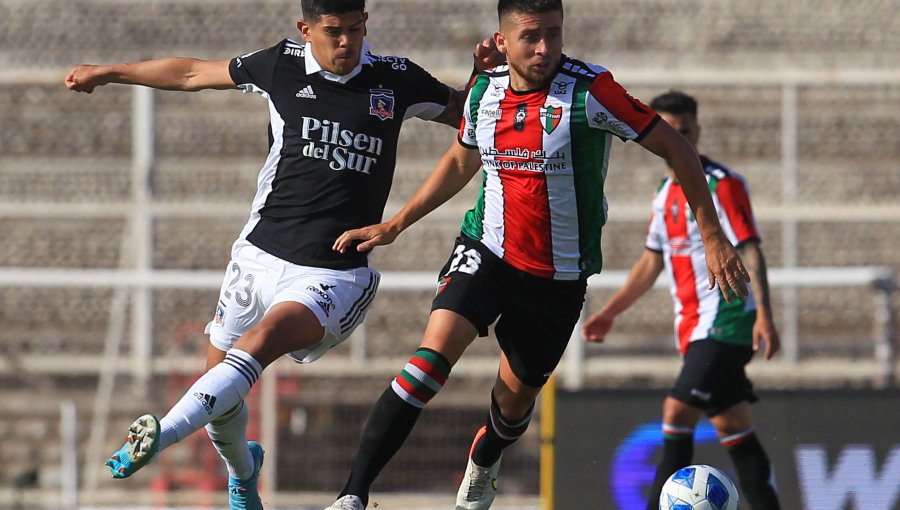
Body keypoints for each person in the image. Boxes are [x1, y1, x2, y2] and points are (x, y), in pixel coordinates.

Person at [64, 1, 502, 509]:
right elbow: (189, 74)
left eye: (356, 30)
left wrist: (481, 74)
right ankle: (243, 474)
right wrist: (109, 72)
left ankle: (158, 435)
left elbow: (469, 121)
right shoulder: (280, 65)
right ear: (306, 29)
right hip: (257, 255)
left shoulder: (396, 78)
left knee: (262, 340)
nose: (347, 43)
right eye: (334, 32)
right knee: (220, 389)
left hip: (333, 270)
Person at [324, 2, 751, 509]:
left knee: (512, 404)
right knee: (430, 360)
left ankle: (484, 463)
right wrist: (397, 223)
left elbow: (676, 146)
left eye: (553, 34)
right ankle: (352, 495)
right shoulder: (485, 90)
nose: (545, 48)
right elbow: (462, 159)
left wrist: (714, 235)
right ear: (502, 41)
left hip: (558, 277)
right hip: (487, 248)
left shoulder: (592, 92)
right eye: (531, 37)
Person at [582, 90, 782, 509]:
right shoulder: (662, 193)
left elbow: (749, 248)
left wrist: (764, 312)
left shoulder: (722, 185)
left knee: (675, 412)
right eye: (671, 131)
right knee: (734, 426)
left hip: (726, 321)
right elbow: (651, 263)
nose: (681, 139)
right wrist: (609, 313)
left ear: (698, 130)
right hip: (693, 329)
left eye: (687, 131)